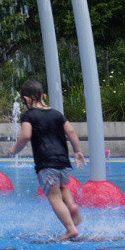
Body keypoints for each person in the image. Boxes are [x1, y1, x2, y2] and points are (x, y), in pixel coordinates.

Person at [7, 79, 86, 240]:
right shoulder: (57, 114)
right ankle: (72, 206)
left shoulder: (29, 115)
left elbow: (25, 136)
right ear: (43, 96)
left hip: (46, 162)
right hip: (63, 161)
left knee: (54, 197)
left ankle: (70, 229)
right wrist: (77, 151)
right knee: (62, 188)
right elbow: (71, 132)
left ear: (26, 99)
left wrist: (14, 149)